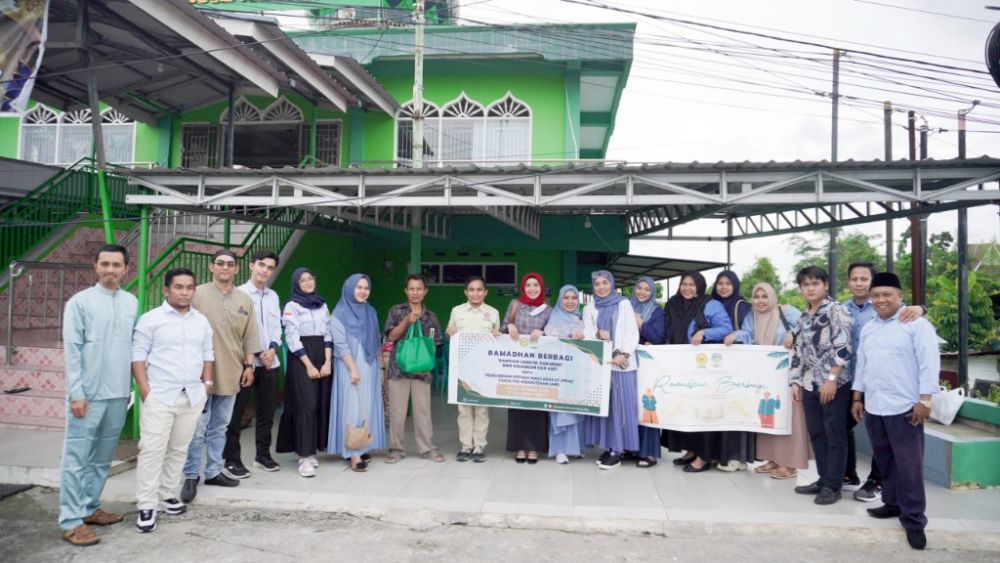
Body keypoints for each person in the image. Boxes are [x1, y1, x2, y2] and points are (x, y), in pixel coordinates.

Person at [851, 272, 939, 551]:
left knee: (909, 466)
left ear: (899, 296)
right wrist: (857, 398)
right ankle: (892, 503)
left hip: (905, 406)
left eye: (887, 294)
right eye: (876, 295)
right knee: (885, 461)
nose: (880, 300)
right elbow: (863, 366)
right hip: (875, 405)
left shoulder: (916, 325)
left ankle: (914, 520)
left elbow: (929, 364)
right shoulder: (869, 328)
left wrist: (924, 401)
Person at [58, 244, 139, 546]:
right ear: (95, 266)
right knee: (76, 459)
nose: (110, 270)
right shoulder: (79, 303)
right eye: (104, 264)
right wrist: (76, 393)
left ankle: (89, 508)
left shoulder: (131, 302)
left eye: (116, 265)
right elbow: (72, 351)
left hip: (118, 393)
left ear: (125, 269)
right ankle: (70, 521)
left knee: (102, 458)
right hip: (87, 395)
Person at [131, 268, 215, 534]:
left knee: (179, 449)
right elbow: (137, 357)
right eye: (179, 287)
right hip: (160, 397)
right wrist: (146, 392)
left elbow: (207, 355)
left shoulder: (200, 321)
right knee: (152, 450)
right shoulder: (151, 319)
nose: (184, 292)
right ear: (166, 289)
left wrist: (206, 387)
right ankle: (146, 504)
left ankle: (168, 494)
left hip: (191, 396)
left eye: (189, 287)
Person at [181, 250, 260, 502]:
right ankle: (191, 474)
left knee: (220, 427)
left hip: (231, 372)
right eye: (220, 263)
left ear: (237, 270)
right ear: (211, 266)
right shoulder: (197, 294)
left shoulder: (244, 300)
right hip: (198, 376)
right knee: (196, 428)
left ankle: (213, 470)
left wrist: (249, 366)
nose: (225, 268)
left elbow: (250, 336)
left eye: (230, 264)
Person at [842, 262, 924, 501]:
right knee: (851, 429)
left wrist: (922, 308)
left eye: (864, 279)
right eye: (854, 278)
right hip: (855, 380)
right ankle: (848, 475)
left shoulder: (895, 312)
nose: (859, 283)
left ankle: (877, 483)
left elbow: (926, 358)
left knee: (893, 444)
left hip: (888, 385)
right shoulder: (842, 309)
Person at [730, 282, 808, 480]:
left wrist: (793, 334)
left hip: (788, 373)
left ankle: (790, 463)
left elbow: (806, 327)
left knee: (790, 415)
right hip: (766, 373)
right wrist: (734, 335)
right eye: (756, 297)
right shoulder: (752, 316)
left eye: (764, 296)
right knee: (769, 413)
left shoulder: (787, 311)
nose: (760, 301)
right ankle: (773, 458)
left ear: (772, 297)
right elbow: (747, 333)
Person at [790, 266, 853, 506]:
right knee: (816, 434)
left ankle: (833, 485)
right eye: (805, 284)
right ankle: (823, 478)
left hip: (833, 384)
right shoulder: (804, 317)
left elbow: (844, 347)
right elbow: (798, 351)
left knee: (834, 433)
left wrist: (832, 380)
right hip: (809, 384)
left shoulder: (837, 311)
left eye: (815, 283)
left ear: (825, 285)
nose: (810, 288)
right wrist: (795, 381)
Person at [659, 271, 731, 472]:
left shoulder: (710, 304)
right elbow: (667, 330)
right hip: (677, 364)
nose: (687, 288)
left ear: (699, 286)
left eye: (692, 284)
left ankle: (704, 456)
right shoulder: (672, 303)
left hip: (701, 367)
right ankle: (690, 450)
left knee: (701, 409)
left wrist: (703, 332)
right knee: (683, 408)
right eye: (684, 284)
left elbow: (726, 328)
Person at [223, 250, 282, 478]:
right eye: (261, 265)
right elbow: (238, 330)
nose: (265, 270)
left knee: (267, 411)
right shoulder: (238, 294)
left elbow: (277, 327)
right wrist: (258, 352)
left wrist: (272, 349)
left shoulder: (273, 296)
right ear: (251, 266)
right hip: (245, 363)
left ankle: (262, 455)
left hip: (270, 362)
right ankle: (232, 459)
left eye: (269, 267)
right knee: (236, 412)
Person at [275, 268, 333, 477]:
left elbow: (328, 333)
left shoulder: (322, 304)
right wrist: (308, 365)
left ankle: (313, 449)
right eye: (303, 280)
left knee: (319, 402)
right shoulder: (292, 306)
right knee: (305, 404)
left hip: (322, 353)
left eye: (310, 278)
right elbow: (291, 337)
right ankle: (303, 456)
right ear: (296, 284)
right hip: (301, 357)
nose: (308, 282)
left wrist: (327, 362)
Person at [327, 274, 386, 472]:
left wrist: (381, 369)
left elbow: (376, 341)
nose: (362, 291)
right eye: (358, 287)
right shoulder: (339, 313)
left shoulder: (371, 312)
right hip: (350, 368)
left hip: (370, 367)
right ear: (349, 288)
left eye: (366, 287)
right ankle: (352, 454)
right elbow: (341, 345)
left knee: (366, 407)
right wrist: (353, 369)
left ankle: (362, 445)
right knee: (351, 408)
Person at [383, 274, 445, 463]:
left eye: (419, 289)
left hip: (422, 372)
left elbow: (437, 344)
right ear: (406, 291)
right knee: (397, 412)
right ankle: (396, 449)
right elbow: (391, 337)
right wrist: (407, 321)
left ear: (425, 291)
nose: (415, 292)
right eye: (412, 288)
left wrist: (429, 366)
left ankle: (427, 449)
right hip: (398, 369)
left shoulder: (431, 317)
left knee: (423, 412)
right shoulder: (396, 311)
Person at [583, 270, 640, 470]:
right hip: (602, 365)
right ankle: (611, 446)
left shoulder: (623, 304)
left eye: (605, 283)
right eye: (597, 284)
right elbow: (588, 333)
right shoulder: (590, 307)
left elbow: (633, 333)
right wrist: (598, 333)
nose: (601, 287)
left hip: (621, 365)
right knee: (607, 410)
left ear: (612, 284)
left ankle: (617, 451)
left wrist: (624, 354)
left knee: (621, 409)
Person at [445, 276, 501, 462]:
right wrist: (449, 332)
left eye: (479, 290)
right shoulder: (456, 311)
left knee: (482, 410)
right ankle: (465, 446)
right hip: (463, 370)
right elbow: (449, 331)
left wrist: (497, 335)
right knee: (464, 410)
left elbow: (499, 341)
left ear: (485, 292)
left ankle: (479, 446)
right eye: (471, 289)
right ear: (466, 292)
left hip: (484, 370)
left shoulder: (493, 313)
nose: (475, 293)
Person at [502, 272, 553, 464]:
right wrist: (509, 327)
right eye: (528, 285)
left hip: (540, 366)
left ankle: (534, 448)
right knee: (518, 407)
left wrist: (544, 331)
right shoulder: (515, 305)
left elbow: (555, 332)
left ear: (541, 287)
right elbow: (502, 328)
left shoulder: (548, 309)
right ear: (523, 288)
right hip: (517, 365)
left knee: (537, 407)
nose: (532, 289)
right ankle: (519, 446)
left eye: (536, 285)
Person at [544, 284, 587, 465]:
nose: (570, 301)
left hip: (576, 370)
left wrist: (584, 334)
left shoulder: (582, 318)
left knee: (576, 408)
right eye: (566, 297)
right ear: (560, 299)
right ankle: (560, 450)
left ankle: (576, 448)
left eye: (573, 297)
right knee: (560, 410)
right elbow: (550, 334)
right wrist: (572, 333)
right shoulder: (554, 316)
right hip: (558, 371)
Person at [631, 275, 664, 468]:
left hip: (648, 365)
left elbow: (658, 337)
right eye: (639, 288)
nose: (642, 292)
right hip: (626, 364)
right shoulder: (627, 307)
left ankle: (649, 452)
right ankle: (631, 448)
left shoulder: (658, 312)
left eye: (647, 289)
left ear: (652, 292)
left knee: (648, 406)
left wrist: (641, 324)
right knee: (630, 405)